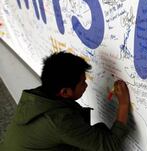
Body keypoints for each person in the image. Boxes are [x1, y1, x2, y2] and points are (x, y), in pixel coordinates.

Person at [0, 51, 130, 151]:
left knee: (99, 131)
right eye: (82, 83)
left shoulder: (38, 97)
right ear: (65, 92)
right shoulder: (59, 121)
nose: (86, 86)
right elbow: (110, 146)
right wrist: (123, 105)